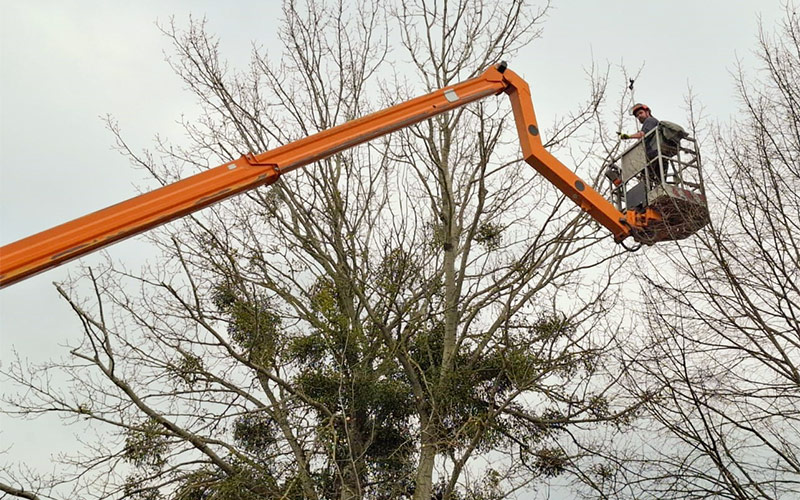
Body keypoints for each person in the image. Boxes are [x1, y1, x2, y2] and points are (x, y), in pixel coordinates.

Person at [619, 103, 664, 182]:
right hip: (655, 155)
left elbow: (643, 134)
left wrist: (629, 136)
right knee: (657, 182)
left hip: (653, 155)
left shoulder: (650, 120)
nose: (639, 116)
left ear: (647, 112)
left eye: (640, 113)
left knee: (647, 182)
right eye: (637, 115)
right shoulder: (651, 123)